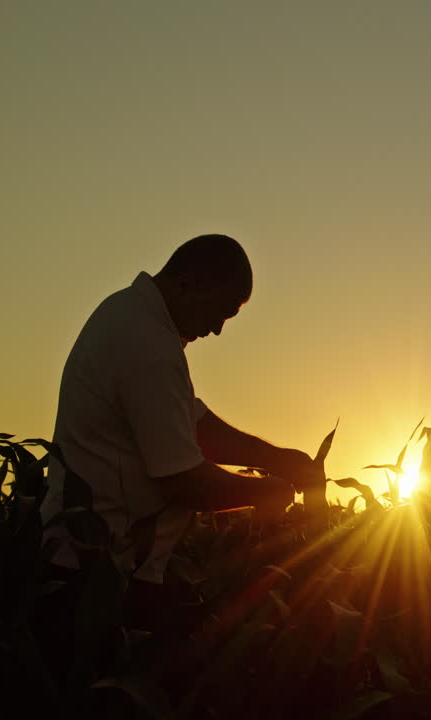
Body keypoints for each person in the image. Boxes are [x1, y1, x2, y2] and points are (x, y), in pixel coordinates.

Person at [37, 234, 323, 631]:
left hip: (97, 567)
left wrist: (278, 459)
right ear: (189, 283)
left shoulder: (128, 317)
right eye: (220, 313)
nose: (218, 330)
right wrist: (262, 492)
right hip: (95, 576)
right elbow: (183, 482)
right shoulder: (148, 346)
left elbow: (192, 426)